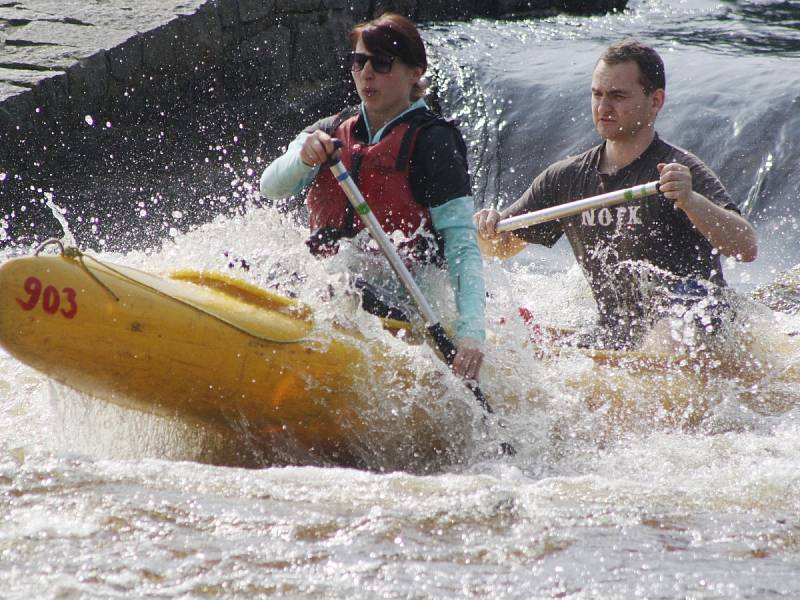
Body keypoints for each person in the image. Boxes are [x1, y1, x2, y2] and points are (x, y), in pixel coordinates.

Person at [474, 40, 758, 351]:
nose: (603, 107)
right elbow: (499, 247)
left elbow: (747, 248)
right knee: (522, 340)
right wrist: (488, 226)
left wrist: (691, 201)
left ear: (656, 101)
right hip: (619, 331)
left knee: (663, 339)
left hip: (697, 319)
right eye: (597, 94)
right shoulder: (566, 178)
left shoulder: (681, 171)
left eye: (618, 96)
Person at [260, 13, 486, 380]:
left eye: (382, 63)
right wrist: (303, 158)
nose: (367, 73)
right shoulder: (331, 131)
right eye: (359, 62)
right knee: (268, 267)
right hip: (332, 281)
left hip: (402, 301)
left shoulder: (434, 143)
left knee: (343, 285)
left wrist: (471, 334)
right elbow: (270, 187)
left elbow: (462, 244)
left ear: (415, 73)